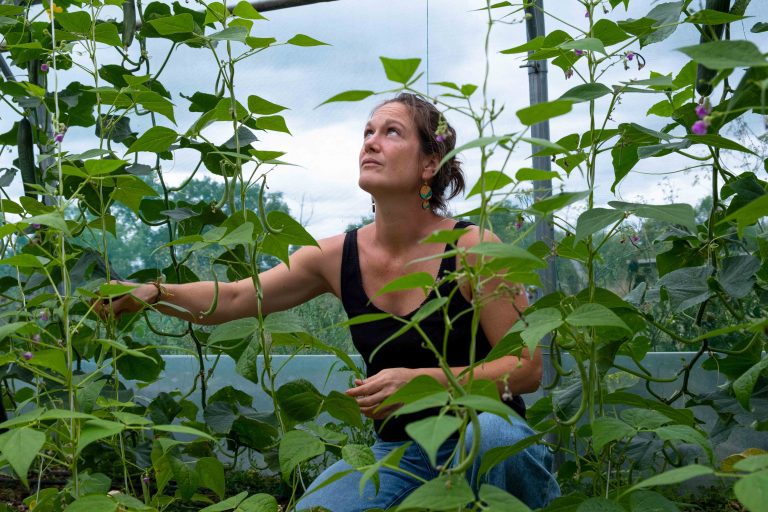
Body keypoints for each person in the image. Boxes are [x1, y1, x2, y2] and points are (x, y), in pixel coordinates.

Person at [100, 93, 560, 510]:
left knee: (493, 436)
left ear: (429, 163)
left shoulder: (475, 248)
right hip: (400, 452)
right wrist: (154, 293)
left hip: (488, 438)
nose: (371, 143)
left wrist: (422, 382)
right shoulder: (336, 256)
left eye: (392, 132)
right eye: (367, 133)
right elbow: (239, 296)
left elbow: (526, 367)